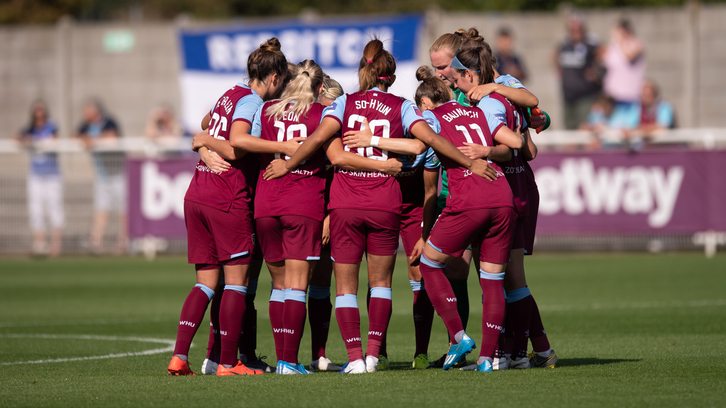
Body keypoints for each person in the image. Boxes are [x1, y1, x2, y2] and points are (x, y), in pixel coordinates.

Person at [263, 38, 498, 374]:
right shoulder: (403, 106)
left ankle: (355, 358)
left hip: (345, 202)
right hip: (386, 202)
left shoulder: (343, 103)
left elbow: (318, 141)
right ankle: (374, 356)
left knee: (345, 286)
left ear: (364, 71)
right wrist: (469, 161)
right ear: (391, 76)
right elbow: (424, 143)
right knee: (382, 283)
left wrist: (287, 165)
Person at [168, 37, 288, 377]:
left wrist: (204, 144)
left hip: (198, 191)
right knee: (236, 283)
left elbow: (206, 123)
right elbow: (236, 146)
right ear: (274, 78)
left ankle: (179, 357)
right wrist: (282, 145)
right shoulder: (251, 101)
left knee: (206, 283)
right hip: (226, 196)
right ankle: (227, 363)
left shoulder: (229, 92)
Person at [307, 74, 346, 372]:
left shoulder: (338, 128)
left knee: (319, 285)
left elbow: (339, 175)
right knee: (290, 287)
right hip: (302, 209)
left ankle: (316, 355)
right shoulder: (308, 120)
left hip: (324, 211)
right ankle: (288, 357)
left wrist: (330, 216)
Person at [76, 99, 126, 254]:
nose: (84, 115)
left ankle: (124, 241)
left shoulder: (109, 121)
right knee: (100, 209)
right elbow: (76, 135)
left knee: (123, 210)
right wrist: (86, 140)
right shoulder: (86, 124)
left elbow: (113, 136)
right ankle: (96, 242)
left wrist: (93, 141)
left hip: (117, 173)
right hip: (102, 176)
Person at [17, 101, 64, 257]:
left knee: (54, 208)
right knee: (36, 209)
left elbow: (55, 139)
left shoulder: (51, 125)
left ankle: (55, 246)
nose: (39, 114)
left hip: (52, 174)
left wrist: (38, 143)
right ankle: (40, 243)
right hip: (36, 175)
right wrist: (27, 141)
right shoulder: (30, 128)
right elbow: (18, 137)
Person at [556, 14, 603, 130]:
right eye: (573, 29)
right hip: (568, 97)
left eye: (578, 29)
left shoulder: (590, 45)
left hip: (585, 97)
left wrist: (596, 73)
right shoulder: (564, 45)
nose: (575, 32)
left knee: (584, 128)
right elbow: (555, 58)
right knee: (569, 130)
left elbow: (604, 60)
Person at [603, 18, 646, 108]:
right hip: (612, 95)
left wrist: (621, 41)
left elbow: (628, 57)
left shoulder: (636, 42)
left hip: (630, 95)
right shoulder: (613, 44)